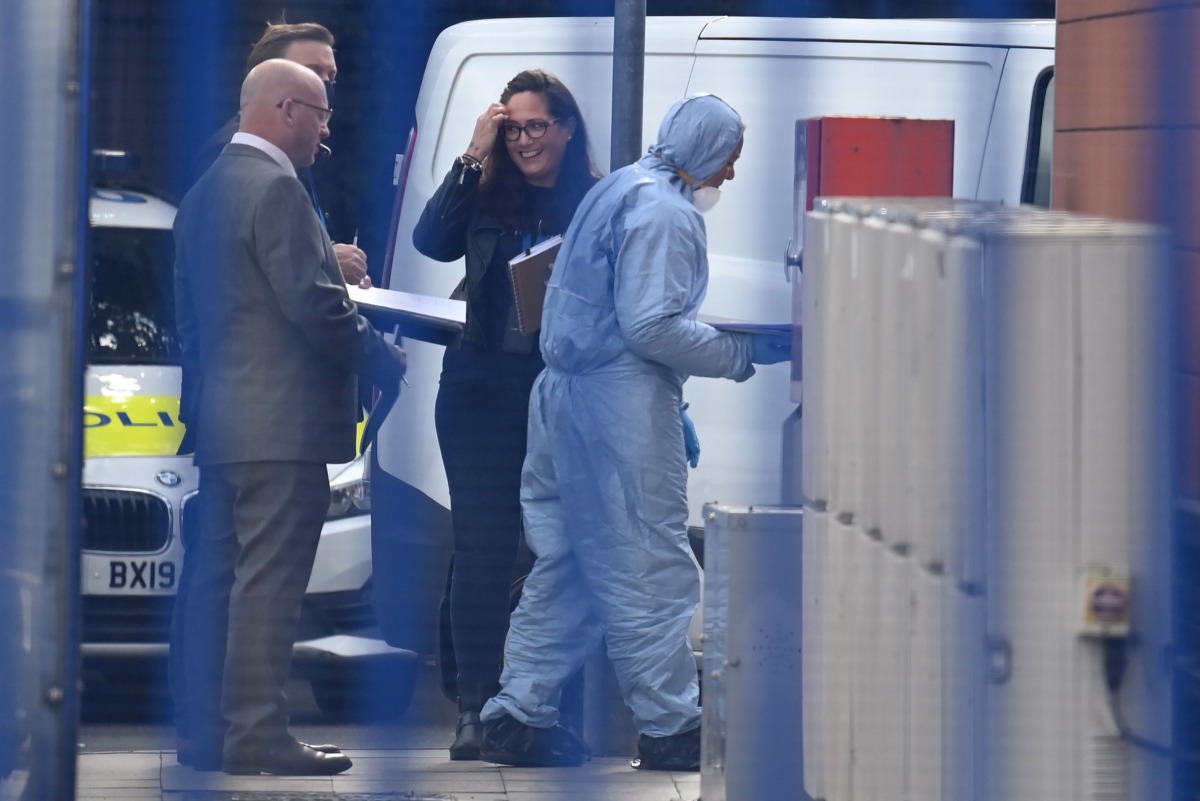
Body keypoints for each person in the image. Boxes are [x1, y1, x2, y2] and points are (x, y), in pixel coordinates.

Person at [477, 94, 791, 771]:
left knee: (569, 567)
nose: (729, 174)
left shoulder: (621, 185)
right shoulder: (666, 211)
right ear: (705, 149)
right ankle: (672, 723)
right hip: (615, 407)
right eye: (729, 159)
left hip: (563, 395)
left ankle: (515, 713)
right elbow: (651, 325)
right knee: (645, 562)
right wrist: (740, 356)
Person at [172, 58, 407, 776]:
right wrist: (383, 361)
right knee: (269, 587)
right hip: (280, 426)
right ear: (284, 109)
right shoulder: (275, 187)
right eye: (321, 114)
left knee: (220, 581)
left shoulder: (206, 189)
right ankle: (260, 733)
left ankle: (208, 732)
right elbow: (316, 305)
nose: (327, 132)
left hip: (225, 421)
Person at [412, 69, 602, 761]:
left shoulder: (595, 201)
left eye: (534, 127)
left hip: (566, 395)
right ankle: (474, 707)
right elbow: (431, 241)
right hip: (481, 390)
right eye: (512, 127)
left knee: (564, 555)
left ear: (567, 126)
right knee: (485, 548)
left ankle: (544, 708)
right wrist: (473, 150)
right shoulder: (487, 189)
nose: (522, 140)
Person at [193, 20, 370, 288]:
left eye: (331, 77)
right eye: (312, 71)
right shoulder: (226, 154)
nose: (323, 85)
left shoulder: (302, 151)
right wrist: (329, 261)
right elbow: (226, 265)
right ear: (268, 76)